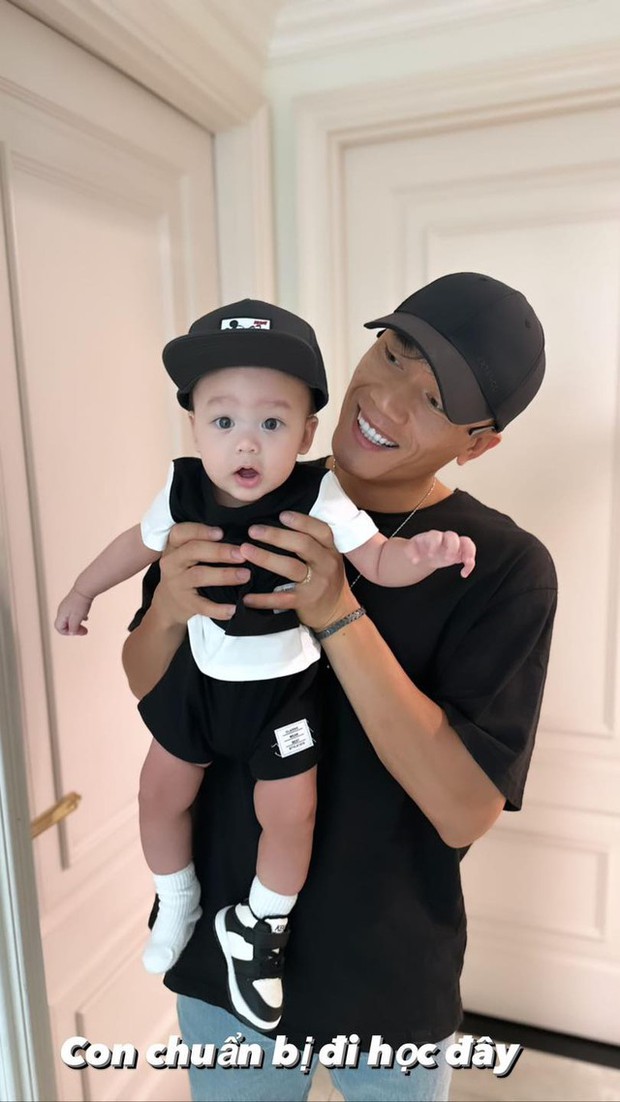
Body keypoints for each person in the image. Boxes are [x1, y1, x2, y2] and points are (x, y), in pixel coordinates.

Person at [122, 273, 557, 1102]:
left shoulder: (501, 568)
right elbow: (147, 687)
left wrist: (336, 612)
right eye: (392, 353)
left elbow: (463, 810)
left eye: (433, 399)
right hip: (225, 960)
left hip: (388, 975)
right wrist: (170, 610)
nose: (387, 400)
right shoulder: (237, 485)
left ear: (478, 445)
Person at [55, 300, 476, 1034]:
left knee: (290, 816)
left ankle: (259, 927)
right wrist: (84, 590)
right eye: (223, 421)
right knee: (158, 795)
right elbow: (135, 545)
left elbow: (378, 559)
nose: (245, 442)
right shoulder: (183, 492)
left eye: (272, 424)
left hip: (282, 697)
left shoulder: (320, 494)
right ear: (195, 427)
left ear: (307, 434)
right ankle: (178, 897)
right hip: (199, 687)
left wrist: (424, 554)